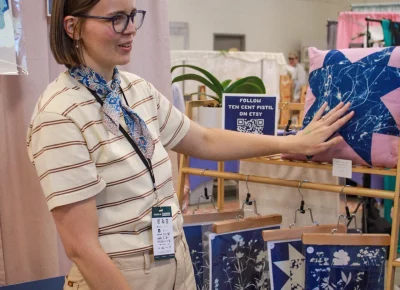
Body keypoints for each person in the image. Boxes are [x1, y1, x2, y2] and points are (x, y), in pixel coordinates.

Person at [26, 0, 354, 289]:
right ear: (73, 27)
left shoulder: (135, 89)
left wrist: (294, 141)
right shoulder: (58, 115)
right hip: (117, 276)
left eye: (132, 15)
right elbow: (81, 247)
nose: (130, 30)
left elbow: (204, 139)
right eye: (116, 19)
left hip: (175, 261)